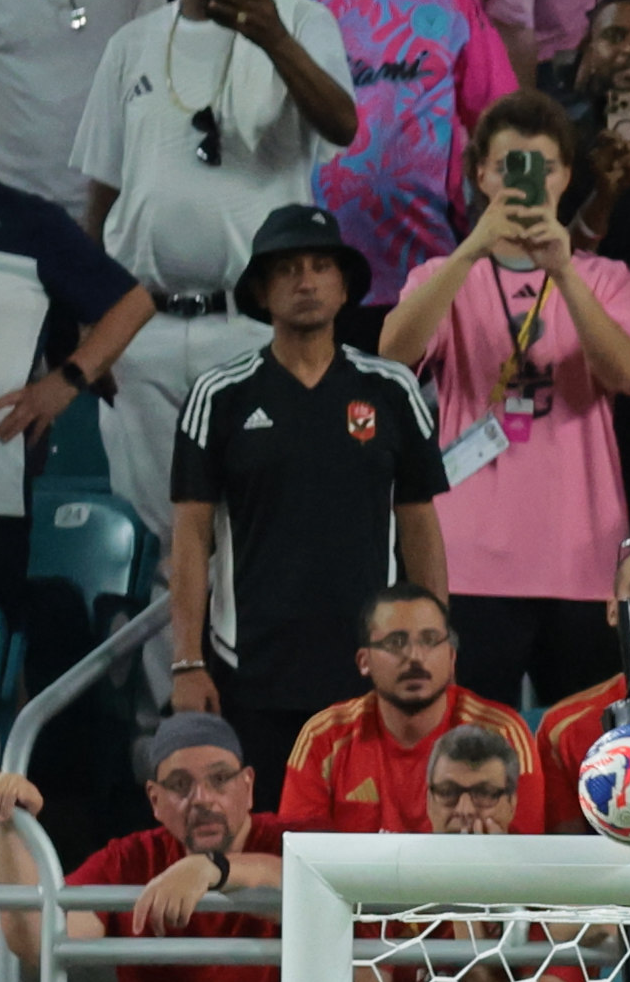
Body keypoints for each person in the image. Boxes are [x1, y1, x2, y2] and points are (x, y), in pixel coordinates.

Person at [167, 201, 448, 764]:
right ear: (261, 291)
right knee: (266, 819)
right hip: (251, 668)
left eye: (322, 267)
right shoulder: (218, 396)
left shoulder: (392, 390)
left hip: (374, 666)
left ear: (344, 288)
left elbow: (419, 526)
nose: (306, 282)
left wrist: (435, 646)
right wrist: (187, 662)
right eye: (288, 269)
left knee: (374, 821)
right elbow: (191, 537)